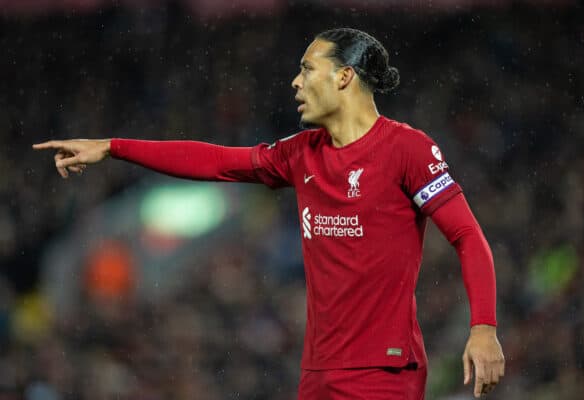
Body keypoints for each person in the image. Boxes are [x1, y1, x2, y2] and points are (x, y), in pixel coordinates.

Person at [33, 28, 504, 399]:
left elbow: (467, 236)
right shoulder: (300, 154)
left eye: (307, 69)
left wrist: (483, 328)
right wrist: (114, 147)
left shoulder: (408, 150)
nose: (295, 82)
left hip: (383, 372)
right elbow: (216, 161)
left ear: (344, 77)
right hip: (317, 373)